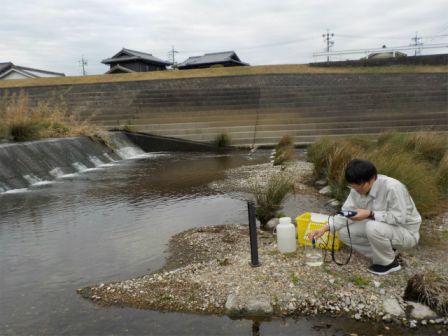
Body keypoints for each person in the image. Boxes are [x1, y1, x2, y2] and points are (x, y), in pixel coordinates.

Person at [307, 159, 421, 275]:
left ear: (372, 179)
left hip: (406, 233)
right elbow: (346, 213)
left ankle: (389, 264)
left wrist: (370, 214)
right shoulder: (356, 188)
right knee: (344, 232)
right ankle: (387, 253)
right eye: (352, 186)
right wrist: (324, 229)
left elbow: (399, 218)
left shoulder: (393, 188)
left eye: (359, 186)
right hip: (384, 229)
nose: (356, 190)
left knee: (372, 226)